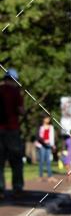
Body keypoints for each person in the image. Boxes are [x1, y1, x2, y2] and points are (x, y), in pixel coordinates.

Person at [0, 68, 25, 200]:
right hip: (12, 130)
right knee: (16, 161)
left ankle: (1, 190)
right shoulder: (16, 92)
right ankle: (17, 188)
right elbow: (21, 110)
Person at [35, 115, 55, 181]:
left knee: (48, 161)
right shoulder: (40, 127)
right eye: (46, 118)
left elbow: (52, 137)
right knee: (41, 161)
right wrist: (43, 142)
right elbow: (38, 136)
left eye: (49, 119)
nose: (48, 120)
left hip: (48, 145)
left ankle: (50, 177)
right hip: (41, 145)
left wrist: (53, 145)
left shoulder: (51, 127)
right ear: (43, 119)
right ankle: (40, 176)